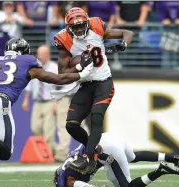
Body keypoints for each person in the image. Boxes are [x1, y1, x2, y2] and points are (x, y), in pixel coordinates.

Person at [0, 37, 94, 187]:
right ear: (24, 52)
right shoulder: (27, 62)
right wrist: (82, 74)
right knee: (5, 152)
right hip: (0, 101)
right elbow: (59, 79)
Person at [53, 7, 134, 174]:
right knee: (71, 125)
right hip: (85, 85)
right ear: (68, 27)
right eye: (74, 27)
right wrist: (78, 67)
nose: (79, 29)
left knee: (96, 117)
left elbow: (127, 33)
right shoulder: (64, 40)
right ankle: (95, 149)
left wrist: (122, 45)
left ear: (88, 22)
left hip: (104, 82)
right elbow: (62, 74)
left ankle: (89, 159)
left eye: (81, 25)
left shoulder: (97, 26)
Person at [54, 132, 179, 187]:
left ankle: (160, 170)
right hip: (111, 137)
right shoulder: (71, 158)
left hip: (107, 150)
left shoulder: (68, 180)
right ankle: (172, 157)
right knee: (133, 157)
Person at [22, 45, 58, 154]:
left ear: (48, 55)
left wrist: (57, 102)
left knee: (48, 130)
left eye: (42, 54)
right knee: (35, 128)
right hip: (37, 102)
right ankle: (43, 152)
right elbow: (29, 84)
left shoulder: (54, 68)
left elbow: (58, 86)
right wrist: (26, 99)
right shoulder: (33, 67)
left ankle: (50, 154)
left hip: (50, 101)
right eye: (39, 53)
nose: (39, 56)